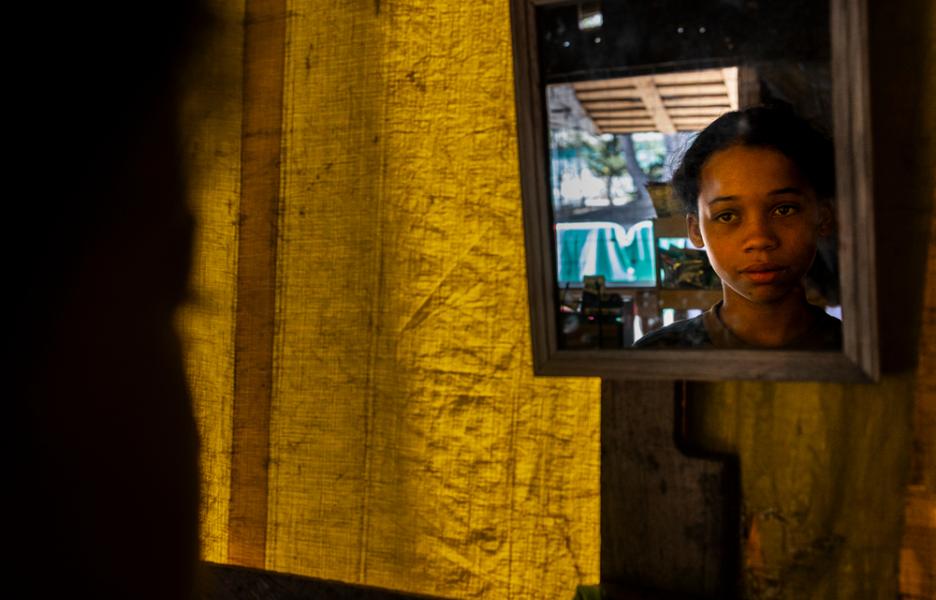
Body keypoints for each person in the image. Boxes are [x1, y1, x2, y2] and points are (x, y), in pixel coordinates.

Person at [634, 106, 841, 349]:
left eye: (784, 209)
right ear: (696, 230)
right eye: (727, 215)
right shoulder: (658, 356)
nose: (759, 239)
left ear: (823, 217)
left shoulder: (864, 352)